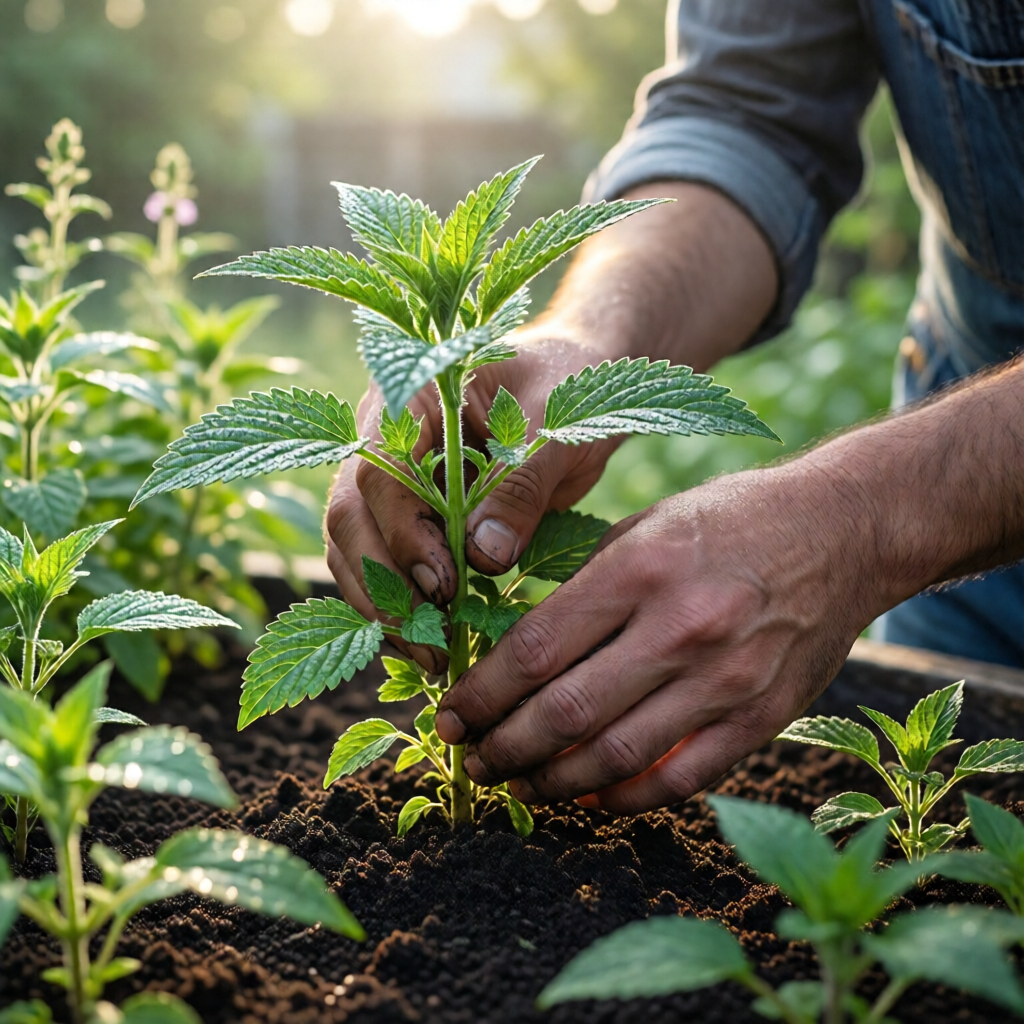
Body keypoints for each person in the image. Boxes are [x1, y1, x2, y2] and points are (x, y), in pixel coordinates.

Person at [326, 0, 1024, 815]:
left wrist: (865, 515)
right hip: (968, 571)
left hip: (947, 485)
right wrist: (593, 335)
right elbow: (749, 112)